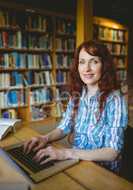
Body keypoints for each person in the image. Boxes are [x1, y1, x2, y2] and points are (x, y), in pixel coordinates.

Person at [24, 40, 128, 174]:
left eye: (94, 62)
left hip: (102, 173)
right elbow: (64, 127)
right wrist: (45, 138)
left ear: (104, 65)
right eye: (82, 62)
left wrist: (67, 153)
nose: (87, 69)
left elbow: (113, 152)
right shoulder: (78, 93)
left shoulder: (115, 99)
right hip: (76, 162)